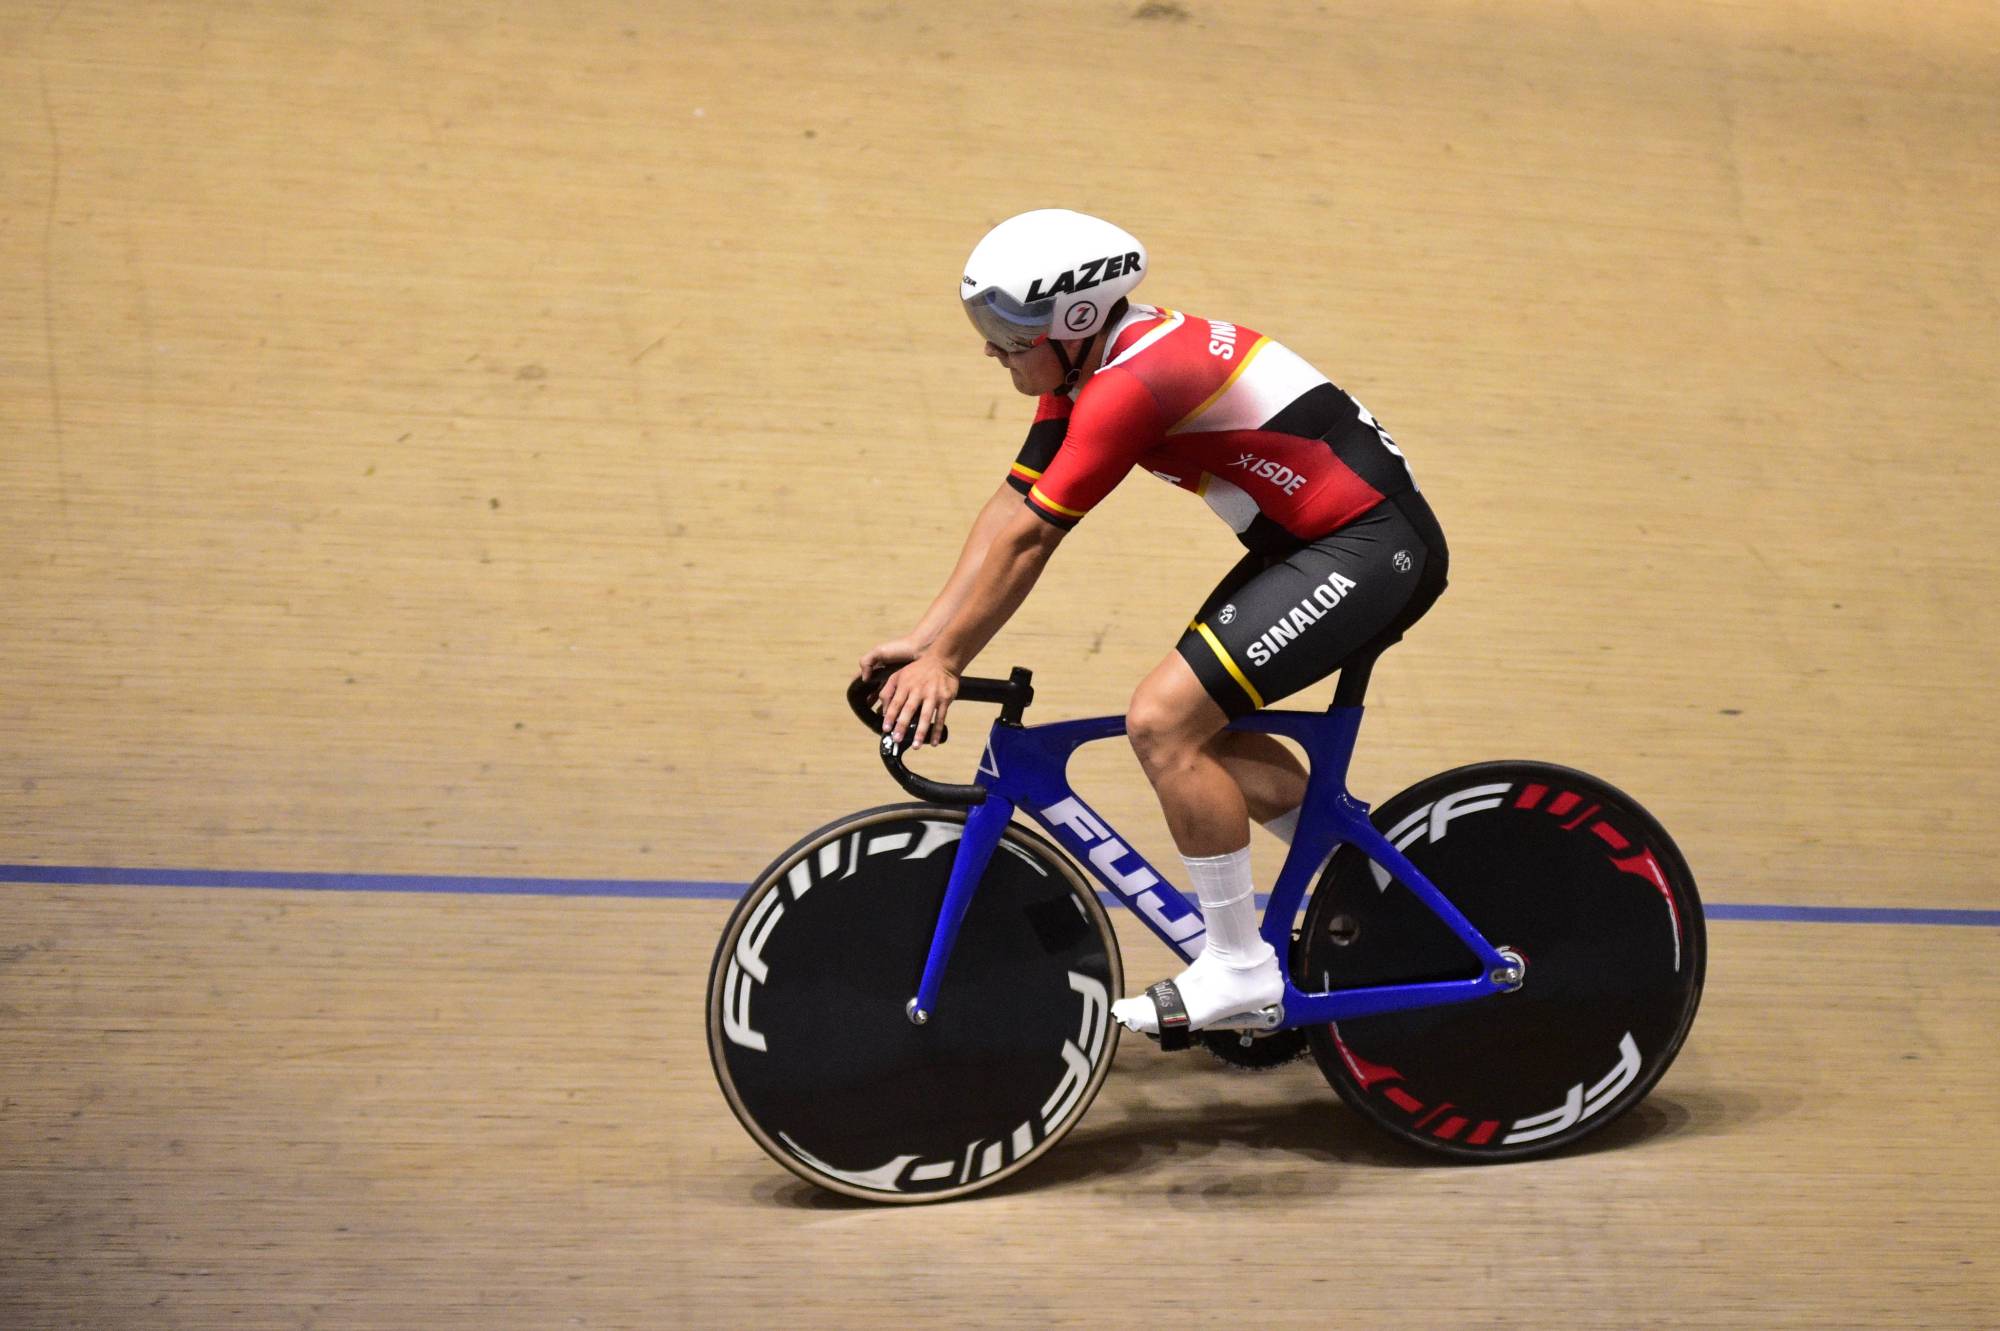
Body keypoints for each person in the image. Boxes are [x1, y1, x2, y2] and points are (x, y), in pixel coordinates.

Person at [859, 208, 1448, 1040]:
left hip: (1368, 546)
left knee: (1164, 722)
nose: (990, 346)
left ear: (1073, 321)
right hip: (1326, 541)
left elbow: (1033, 538)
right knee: (1208, 738)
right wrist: (928, 640)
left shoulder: (1133, 381)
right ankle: (1396, 887)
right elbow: (1009, 503)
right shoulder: (1087, 370)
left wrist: (952, 659)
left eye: (1007, 328)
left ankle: (1241, 971)